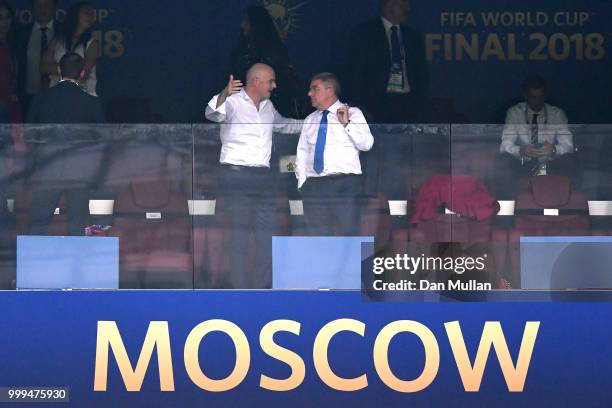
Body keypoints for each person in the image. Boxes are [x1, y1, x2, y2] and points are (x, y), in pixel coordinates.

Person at [205, 63, 302, 289]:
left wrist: (318, 123)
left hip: (263, 179)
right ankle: (240, 292)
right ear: (257, 81)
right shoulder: (233, 101)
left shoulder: (268, 106)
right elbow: (211, 113)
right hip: (235, 177)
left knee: (267, 239)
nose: (275, 86)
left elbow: (285, 125)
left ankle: (259, 290)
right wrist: (224, 93)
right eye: (271, 81)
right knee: (238, 238)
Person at [26, 52, 105, 236]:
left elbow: (30, 135)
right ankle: (74, 264)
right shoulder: (92, 103)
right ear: (83, 73)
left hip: (47, 167)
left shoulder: (41, 99)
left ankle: (32, 264)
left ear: (59, 70)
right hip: (80, 170)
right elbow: (101, 140)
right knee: (77, 223)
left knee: (38, 222)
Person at [295, 73, 374, 236]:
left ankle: (351, 263)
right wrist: (303, 183)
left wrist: (346, 124)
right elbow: (301, 153)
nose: (309, 94)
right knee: (318, 238)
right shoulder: (310, 119)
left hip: (344, 185)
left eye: (314, 89)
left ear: (330, 90)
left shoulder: (353, 113)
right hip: (314, 186)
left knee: (349, 235)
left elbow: (367, 144)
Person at [346, 0, 428, 123]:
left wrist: (418, 100)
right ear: (389, 6)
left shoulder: (413, 37)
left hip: (407, 103)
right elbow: (355, 70)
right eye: (403, 5)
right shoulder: (365, 33)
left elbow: (422, 73)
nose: (407, 9)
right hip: (375, 104)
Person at [498, 75, 576, 197]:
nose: (537, 101)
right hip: (522, 166)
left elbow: (568, 145)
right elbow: (505, 145)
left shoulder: (556, 114)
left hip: (552, 165)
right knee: (505, 163)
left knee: (569, 161)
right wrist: (521, 150)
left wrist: (554, 149)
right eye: (533, 97)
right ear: (525, 96)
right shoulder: (515, 113)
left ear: (545, 96)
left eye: (540, 97)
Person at [228, 5, 302, 118]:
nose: (242, 26)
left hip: (275, 106)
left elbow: (284, 80)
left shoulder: (274, 50)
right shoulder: (241, 50)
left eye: (245, 21)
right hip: (244, 109)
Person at [41, 1, 99, 96]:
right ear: (75, 14)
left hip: (82, 96)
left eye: (92, 14)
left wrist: (57, 69)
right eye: (86, 12)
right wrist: (71, 70)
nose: (90, 16)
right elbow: (43, 67)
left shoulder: (93, 43)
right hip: (55, 95)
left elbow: (84, 73)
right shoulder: (57, 39)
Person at [16, 0, 59, 112]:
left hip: (57, 96)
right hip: (26, 98)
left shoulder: (64, 32)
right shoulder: (19, 34)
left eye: (47, 5)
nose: (42, 9)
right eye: (38, 5)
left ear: (54, 8)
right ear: (32, 8)